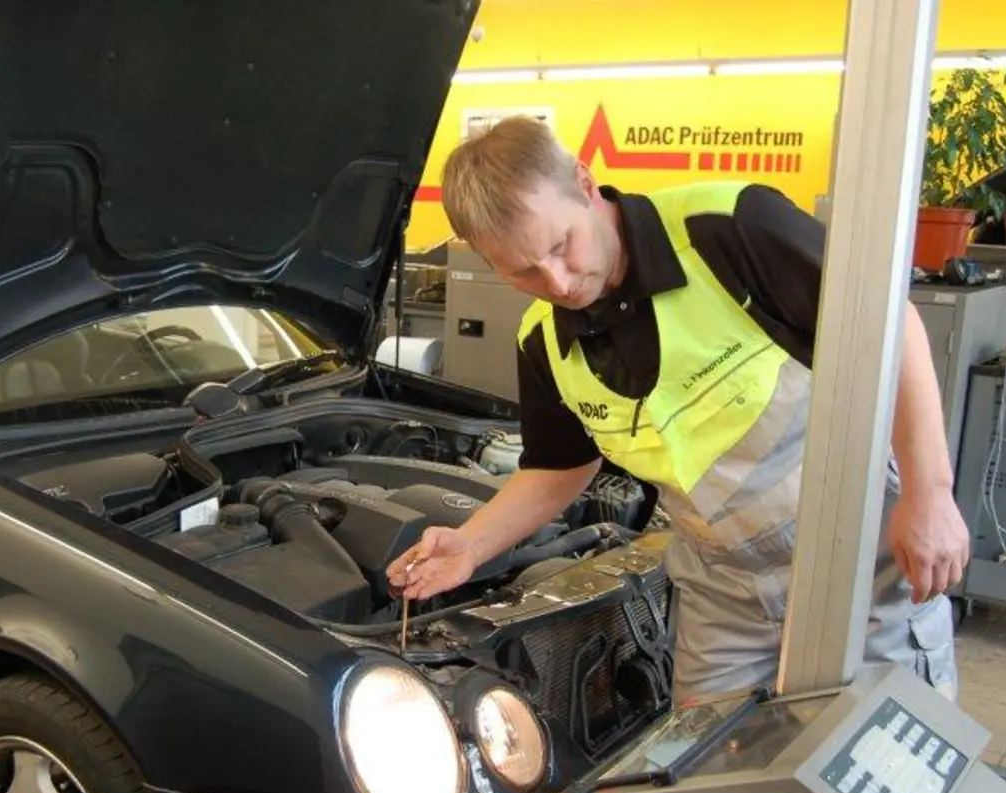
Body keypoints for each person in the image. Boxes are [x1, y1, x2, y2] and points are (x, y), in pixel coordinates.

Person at [385, 116, 969, 705]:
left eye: (561, 246)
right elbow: (557, 467)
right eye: (523, 271)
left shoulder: (728, 230)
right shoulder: (543, 341)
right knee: (708, 774)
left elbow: (889, 330)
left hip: (858, 565)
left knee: (887, 763)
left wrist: (931, 492)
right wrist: (470, 544)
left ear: (585, 186)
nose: (557, 281)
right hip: (726, 595)